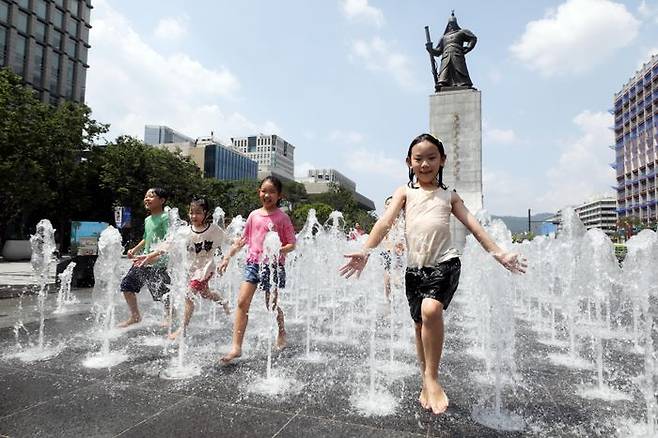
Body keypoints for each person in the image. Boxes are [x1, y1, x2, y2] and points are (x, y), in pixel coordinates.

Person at [340, 133, 526, 415]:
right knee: (419, 326)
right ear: (409, 162)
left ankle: (432, 377)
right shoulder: (405, 193)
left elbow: (474, 226)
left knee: (430, 311)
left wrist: (499, 253)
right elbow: (385, 223)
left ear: (442, 161)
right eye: (419, 159)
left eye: (431, 158)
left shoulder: (449, 196)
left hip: (445, 263)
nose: (425, 163)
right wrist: (365, 251)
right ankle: (425, 377)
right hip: (414, 270)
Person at [218, 176, 296, 363]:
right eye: (263, 191)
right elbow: (243, 240)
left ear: (279, 196)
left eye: (271, 192)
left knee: (271, 305)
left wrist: (279, 250)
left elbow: (292, 244)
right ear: (258, 192)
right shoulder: (253, 215)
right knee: (242, 302)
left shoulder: (282, 217)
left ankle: (281, 330)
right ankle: (236, 347)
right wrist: (228, 256)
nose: (266, 195)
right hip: (253, 263)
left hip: (273, 265)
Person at [134, 196, 230, 340]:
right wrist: (149, 256)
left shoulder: (214, 230)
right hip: (191, 269)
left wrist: (234, 250)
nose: (194, 216)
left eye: (198, 212)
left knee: (188, 294)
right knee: (205, 293)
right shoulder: (185, 232)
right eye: (191, 212)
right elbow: (167, 245)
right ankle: (223, 301)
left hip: (205, 269)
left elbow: (229, 240)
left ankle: (182, 329)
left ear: (206, 213)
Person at [118, 188, 172, 328]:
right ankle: (135, 316)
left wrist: (155, 255)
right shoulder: (148, 219)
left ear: (162, 200)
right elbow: (146, 238)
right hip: (143, 260)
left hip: (158, 261)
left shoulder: (166, 217)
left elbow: (170, 239)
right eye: (146, 196)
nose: (147, 199)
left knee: (162, 293)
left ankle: (169, 316)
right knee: (127, 285)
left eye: (151, 196)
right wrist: (134, 249)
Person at [426, 11, 477, 89]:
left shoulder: (461, 32)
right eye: (450, 24)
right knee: (444, 71)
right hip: (445, 56)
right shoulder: (444, 37)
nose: (451, 26)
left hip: (457, 54)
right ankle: (443, 83)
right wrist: (430, 49)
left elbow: (473, 38)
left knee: (460, 69)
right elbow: (438, 51)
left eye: (453, 24)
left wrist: (468, 47)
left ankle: (463, 83)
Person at [380, 196, 405, 302]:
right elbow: (383, 238)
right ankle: (387, 297)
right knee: (388, 272)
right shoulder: (385, 220)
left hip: (400, 251)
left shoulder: (401, 219)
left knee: (400, 272)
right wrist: (391, 248)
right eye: (388, 204)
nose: (390, 205)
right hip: (389, 250)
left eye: (392, 203)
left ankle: (399, 295)